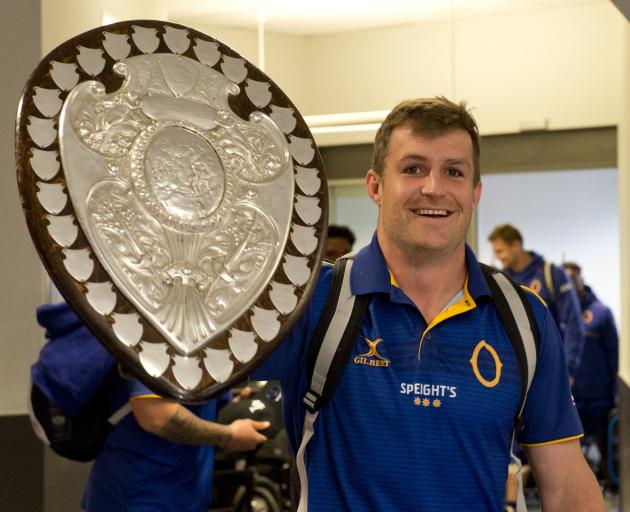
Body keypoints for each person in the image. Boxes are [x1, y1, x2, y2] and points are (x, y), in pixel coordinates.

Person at [252, 97, 603, 511]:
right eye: (413, 168)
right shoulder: (313, 304)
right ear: (375, 186)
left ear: (475, 192)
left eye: (453, 172)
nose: (434, 188)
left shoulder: (524, 318)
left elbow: (565, 485)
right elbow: (186, 367)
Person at [35, 302, 269, 512]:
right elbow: (154, 416)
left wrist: (236, 411)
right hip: (139, 495)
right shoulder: (159, 323)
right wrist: (228, 436)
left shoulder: (205, 330)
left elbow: (201, 404)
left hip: (183, 494)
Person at [488, 224, 585, 381]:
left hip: (550, 367)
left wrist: (567, 370)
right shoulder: (502, 281)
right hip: (516, 372)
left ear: (516, 245)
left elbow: (573, 325)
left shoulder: (551, 274)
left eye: (500, 251)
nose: (498, 257)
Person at [563, 261, 619, 485]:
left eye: (571, 279)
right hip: (570, 399)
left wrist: (615, 397)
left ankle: (614, 490)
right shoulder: (558, 315)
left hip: (598, 399)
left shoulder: (601, 313)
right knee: (566, 456)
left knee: (606, 452)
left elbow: (614, 357)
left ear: (580, 280)